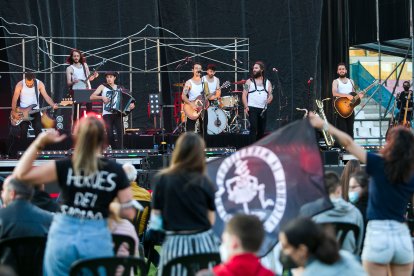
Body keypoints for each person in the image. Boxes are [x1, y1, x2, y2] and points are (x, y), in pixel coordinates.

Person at [12, 115, 136, 276]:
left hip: (63, 238)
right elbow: (129, 212)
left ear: (76, 137)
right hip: (97, 238)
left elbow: (20, 174)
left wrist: (39, 142)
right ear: (104, 138)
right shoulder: (115, 170)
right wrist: (109, 207)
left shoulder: (66, 166)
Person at [309, 112, 414, 276]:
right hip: (402, 236)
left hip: (378, 235)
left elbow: (349, 143)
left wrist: (323, 124)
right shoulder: (411, 172)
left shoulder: (379, 163)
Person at [150, 132, 219, 275]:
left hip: (175, 245)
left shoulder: (162, 179)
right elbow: (211, 220)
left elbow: (156, 218)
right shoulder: (205, 181)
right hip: (203, 245)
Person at [279, 217, 366, 276]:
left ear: (302, 250)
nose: (283, 251)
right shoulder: (346, 256)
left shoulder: (312, 274)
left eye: (286, 247)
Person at [312, 171, 364, 255]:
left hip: (321, 263)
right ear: (339, 190)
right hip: (349, 263)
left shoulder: (311, 212)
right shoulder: (356, 213)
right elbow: (358, 246)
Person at [90, 71, 135, 149]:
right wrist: (102, 97)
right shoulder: (102, 86)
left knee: (120, 133)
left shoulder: (120, 88)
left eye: (111, 77)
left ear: (114, 78)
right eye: (107, 77)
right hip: (107, 114)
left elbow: (127, 100)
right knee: (109, 134)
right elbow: (91, 97)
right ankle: (114, 149)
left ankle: (120, 149)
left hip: (118, 114)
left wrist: (131, 105)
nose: (109, 79)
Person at [10, 72, 58, 141]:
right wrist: (14, 112)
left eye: (31, 83)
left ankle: (37, 149)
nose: (29, 85)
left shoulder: (39, 84)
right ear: (25, 79)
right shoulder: (20, 84)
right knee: (23, 131)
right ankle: (23, 149)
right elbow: (14, 99)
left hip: (35, 110)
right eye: (27, 83)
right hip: (22, 112)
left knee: (38, 129)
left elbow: (46, 97)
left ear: (34, 79)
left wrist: (53, 104)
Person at [242, 61, 273, 142]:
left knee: (261, 130)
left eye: (256, 68)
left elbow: (271, 94)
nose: (254, 70)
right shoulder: (248, 81)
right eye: (253, 68)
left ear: (262, 69)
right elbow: (244, 95)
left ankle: (258, 147)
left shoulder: (268, 82)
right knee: (253, 128)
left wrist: (270, 98)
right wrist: (246, 106)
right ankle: (251, 148)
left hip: (263, 109)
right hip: (252, 109)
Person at [332, 62, 364, 139]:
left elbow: (353, 96)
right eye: (340, 69)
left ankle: (350, 148)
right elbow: (334, 93)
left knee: (350, 130)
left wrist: (359, 97)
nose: (341, 70)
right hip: (340, 108)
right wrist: (346, 95)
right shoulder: (336, 81)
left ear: (346, 71)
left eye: (343, 69)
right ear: (337, 71)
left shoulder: (351, 81)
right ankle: (341, 147)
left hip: (350, 109)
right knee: (342, 129)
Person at [66, 49, 98, 120]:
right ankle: (76, 127)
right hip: (77, 90)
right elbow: (68, 83)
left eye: (77, 56)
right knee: (76, 111)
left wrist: (95, 76)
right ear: (72, 57)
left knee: (89, 110)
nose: (76, 57)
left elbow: (89, 78)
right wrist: (73, 82)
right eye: (74, 56)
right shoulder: (69, 68)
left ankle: (89, 126)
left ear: (80, 57)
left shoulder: (84, 65)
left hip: (87, 89)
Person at [181, 62, 208, 135]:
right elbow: (183, 96)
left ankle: (203, 145)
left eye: (199, 68)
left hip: (203, 108)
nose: (198, 70)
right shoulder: (188, 82)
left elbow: (207, 96)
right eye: (196, 68)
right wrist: (191, 104)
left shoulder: (204, 82)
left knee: (204, 130)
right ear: (192, 70)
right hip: (192, 108)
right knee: (190, 130)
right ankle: (191, 146)